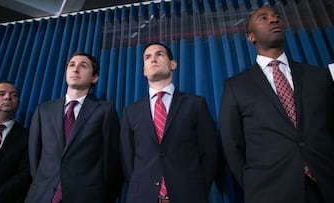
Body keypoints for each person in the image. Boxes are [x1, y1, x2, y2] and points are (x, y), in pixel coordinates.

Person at [219, 6, 334, 203]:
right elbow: (232, 145)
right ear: (251, 37)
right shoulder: (235, 86)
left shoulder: (318, 76)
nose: (273, 20)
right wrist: (254, 185)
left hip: (326, 184)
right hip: (269, 191)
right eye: (263, 18)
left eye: (277, 17)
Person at [120, 42, 219, 203]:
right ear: (144, 70)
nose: (153, 59)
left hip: (189, 195)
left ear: (173, 64)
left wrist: (197, 189)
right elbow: (127, 158)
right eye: (147, 57)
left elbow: (210, 153)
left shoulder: (196, 104)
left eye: (159, 54)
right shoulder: (130, 112)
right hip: (142, 197)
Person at [25, 52, 123, 203]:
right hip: (43, 195)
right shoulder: (43, 110)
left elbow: (111, 159)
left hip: (87, 196)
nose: (75, 69)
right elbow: (34, 154)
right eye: (71, 65)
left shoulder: (105, 110)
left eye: (83, 66)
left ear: (94, 78)